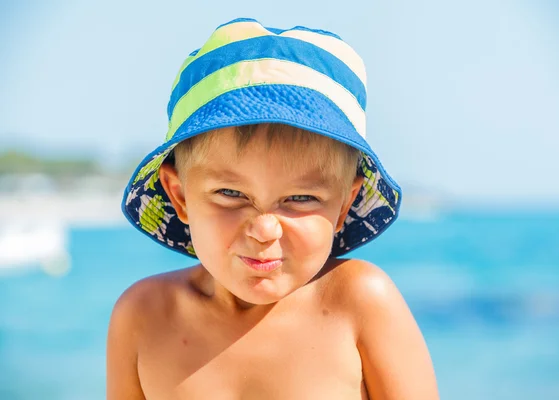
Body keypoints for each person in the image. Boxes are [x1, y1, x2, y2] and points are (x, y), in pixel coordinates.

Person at [107, 17, 438, 400]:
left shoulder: (360, 303)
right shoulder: (143, 318)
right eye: (231, 193)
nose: (264, 230)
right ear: (179, 196)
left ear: (345, 204)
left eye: (300, 198)